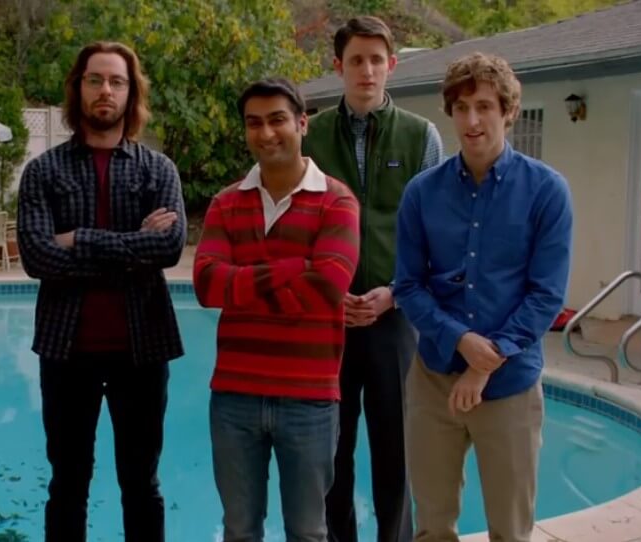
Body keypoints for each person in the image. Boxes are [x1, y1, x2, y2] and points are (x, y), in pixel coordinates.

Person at [393, 52, 572, 542]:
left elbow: (546, 295)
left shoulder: (547, 192)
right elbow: (408, 285)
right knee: (432, 528)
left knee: (510, 531)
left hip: (510, 385)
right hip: (434, 379)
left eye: (485, 107)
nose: (472, 121)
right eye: (461, 108)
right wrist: (459, 340)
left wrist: (484, 361)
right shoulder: (421, 193)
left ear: (508, 111)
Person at [16, 41, 186, 542]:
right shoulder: (43, 171)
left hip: (143, 349)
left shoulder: (159, 170)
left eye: (117, 81)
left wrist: (78, 239)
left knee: (142, 483)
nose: (105, 90)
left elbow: (169, 248)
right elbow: (37, 257)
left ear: (131, 93)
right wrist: (134, 243)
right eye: (95, 80)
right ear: (79, 88)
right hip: (67, 351)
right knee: (68, 483)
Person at [194, 77, 360, 542]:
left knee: (307, 533)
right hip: (234, 396)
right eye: (254, 123)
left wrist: (243, 282)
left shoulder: (337, 200)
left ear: (302, 123)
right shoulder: (226, 203)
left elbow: (328, 285)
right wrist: (293, 267)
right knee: (239, 530)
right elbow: (206, 285)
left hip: (309, 399)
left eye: (277, 120)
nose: (265, 133)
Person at [302, 15, 444, 542]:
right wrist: (327, 292)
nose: (367, 70)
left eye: (376, 60)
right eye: (356, 60)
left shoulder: (421, 136)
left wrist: (396, 293)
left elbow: (435, 233)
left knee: (396, 449)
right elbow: (298, 227)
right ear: (338, 66)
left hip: (394, 317)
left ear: (392, 65)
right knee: (329, 451)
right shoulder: (310, 136)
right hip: (329, 321)